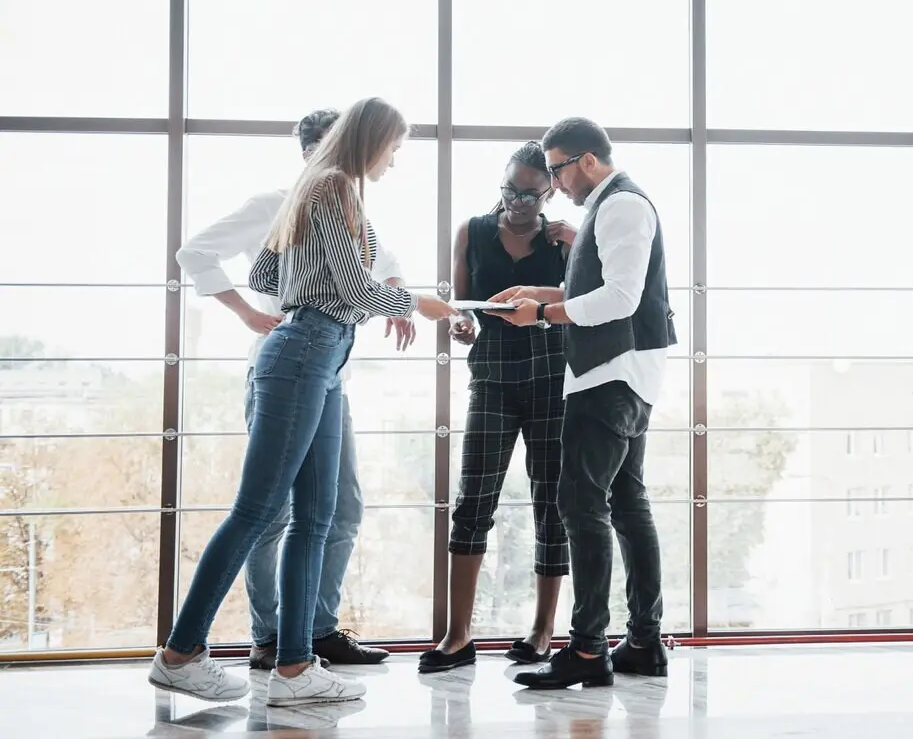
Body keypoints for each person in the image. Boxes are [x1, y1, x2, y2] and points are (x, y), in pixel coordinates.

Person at [149, 97, 458, 706]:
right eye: (394, 148)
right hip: (304, 352)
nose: (395, 161)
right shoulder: (334, 187)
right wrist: (416, 304)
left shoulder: (313, 191)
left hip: (320, 354)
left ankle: (294, 669)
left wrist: (334, 284)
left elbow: (266, 277)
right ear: (371, 139)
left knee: (316, 517)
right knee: (258, 512)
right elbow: (347, 287)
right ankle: (181, 653)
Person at [490, 116, 676, 689]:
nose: (553, 185)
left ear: (586, 161)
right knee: (625, 503)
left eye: (556, 170)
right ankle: (643, 642)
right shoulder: (612, 205)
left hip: (610, 374)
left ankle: (589, 651)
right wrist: (541, 295)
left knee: (581, 504)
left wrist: (543, 315)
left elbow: (620, 299)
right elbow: (601, 291)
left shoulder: (620, 205)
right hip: (624, 372)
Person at [418, 142, 577, 674]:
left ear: (549, 190)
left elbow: (588, 302)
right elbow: (460, 308)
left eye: (530, 194)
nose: (517, 202)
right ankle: (457, 635)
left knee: (551, 502)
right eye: (510, 190)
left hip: (553, 376)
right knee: (474, 499)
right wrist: (459, 325)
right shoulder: (472, 231)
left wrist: (573, 249)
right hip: (491, 376)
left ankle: (541, 631)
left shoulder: (563, 241)